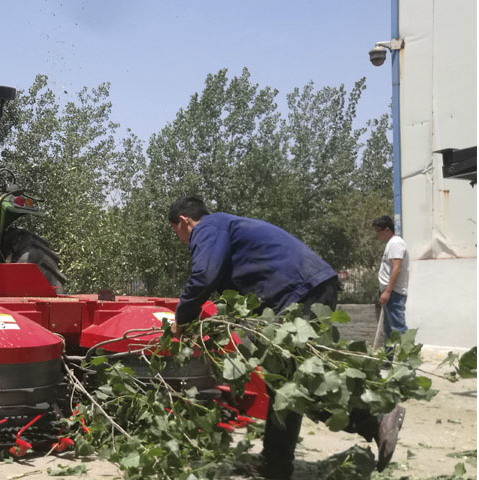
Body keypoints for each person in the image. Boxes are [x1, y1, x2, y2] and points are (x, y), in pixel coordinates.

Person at [168, 196, 405, 479]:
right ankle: (276, 464)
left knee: (297, 382)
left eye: (178, 234)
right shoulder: (226, 228)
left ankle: (376, 419)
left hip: (300, 292)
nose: (183, 242)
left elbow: (203, 276)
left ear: (184, 221)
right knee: (284, 385)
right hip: (304, 288)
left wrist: (181, 319)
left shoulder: (207, 227)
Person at [371, 215, 409, 360]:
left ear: (387, 230)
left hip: (394, 293)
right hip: (389, 293)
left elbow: (396, 268)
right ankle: (389, 360)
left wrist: (387, 291)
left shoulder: (395, 243)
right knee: (388, 330)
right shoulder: (391, 244)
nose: (378, 235)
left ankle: (405, 364)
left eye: (378, 231)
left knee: (398, 329)